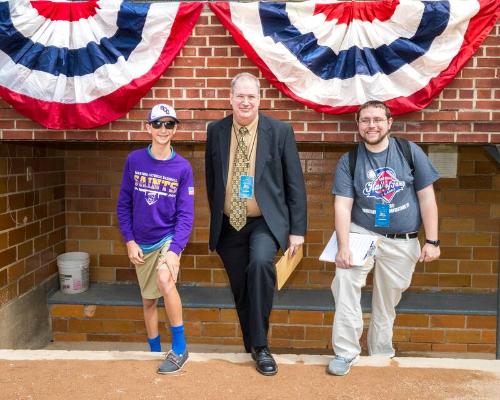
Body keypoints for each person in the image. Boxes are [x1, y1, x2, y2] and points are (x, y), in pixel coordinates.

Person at [205, 73, 307, 376]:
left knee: (261, 265)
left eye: (251, 96)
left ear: (259, 100)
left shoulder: (279, 131)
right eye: (240, 96)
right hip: (228, 224)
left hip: (265, 222)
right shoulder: (216, 130)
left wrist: (297, 232)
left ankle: (262, 348)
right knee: (241, 289)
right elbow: (212, 178)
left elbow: (295, 184)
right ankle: (254, 344)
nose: (245, 102)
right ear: (231, 98)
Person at [329, 100, 440, 376]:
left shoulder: (409, 151)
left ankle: (380, 354)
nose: (372, 125)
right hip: (362, 232)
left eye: (377, 119)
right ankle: (345, 352)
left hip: (402, 238)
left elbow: (427, 198)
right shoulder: (350, 160)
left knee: (386, 300)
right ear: (358, 125)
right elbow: (342, 205)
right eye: (365, 120)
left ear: (389, 122)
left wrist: (433, 240)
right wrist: (343, 247)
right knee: (344, 281)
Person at [117, 103, 194, 374]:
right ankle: (154, 350)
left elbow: (186, 215)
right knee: (149, 300)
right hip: (141, 242)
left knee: (164, 279)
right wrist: (129, 240)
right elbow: (123, 204)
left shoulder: (183, 168)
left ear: (175, 130)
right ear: (148, 128)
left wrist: (175, 250)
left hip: (167, 239)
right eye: (158, 123)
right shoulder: (134, 160)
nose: (163, 129)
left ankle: (180, 348)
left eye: (169, 124)